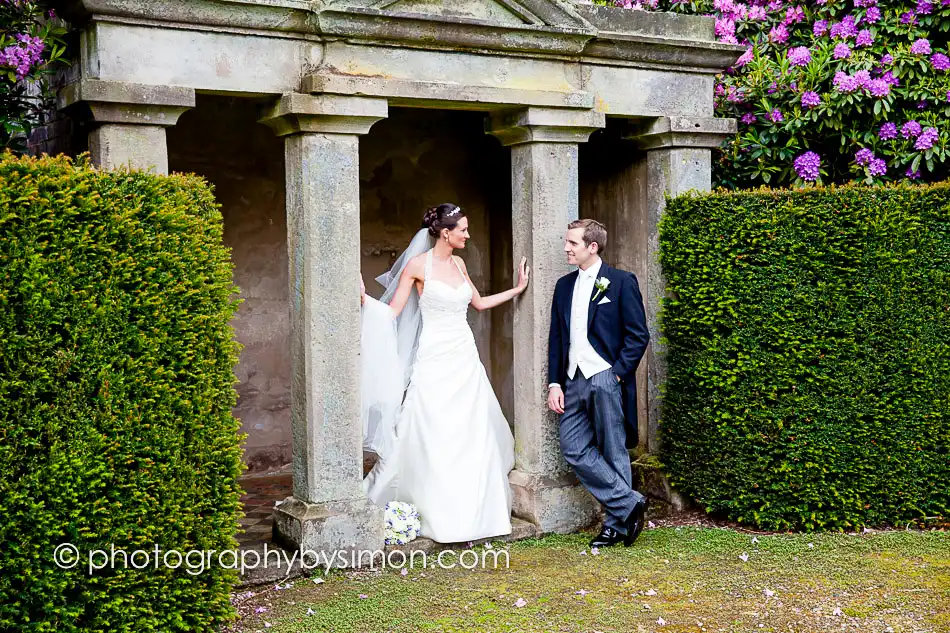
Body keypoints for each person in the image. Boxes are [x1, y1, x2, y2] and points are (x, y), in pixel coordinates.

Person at [360, 203, 530, 543]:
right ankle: (434, 509)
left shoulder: (459, 262)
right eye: (463, 229)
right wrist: (365, 300)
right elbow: (393, 312)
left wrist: (517, 289)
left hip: (464, 357)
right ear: (445, 232)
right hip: (434, 357)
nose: (468, 234)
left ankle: (477, 512)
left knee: (471, 429)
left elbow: (478, 304)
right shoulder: (417, 266)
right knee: (433, 427)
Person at [547, 219, 651, 547]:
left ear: (592, 247)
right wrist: (554, 383)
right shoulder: (564, 286)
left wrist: (616, 374)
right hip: (573, 379)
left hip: (606, 378)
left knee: (613, 448)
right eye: (567, 241)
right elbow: (557, 338)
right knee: (574, 447)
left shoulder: (620, 282)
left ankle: (615, 526)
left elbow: (638, 335)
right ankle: (629, 502)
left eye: (572, 243)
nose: (566, 247)